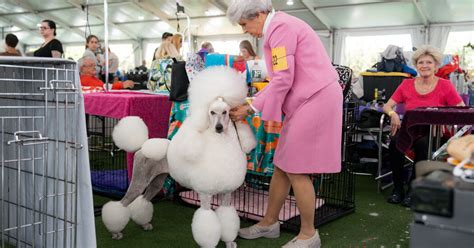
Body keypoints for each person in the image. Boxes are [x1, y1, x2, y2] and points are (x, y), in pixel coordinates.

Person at [227, 1, 342, 247]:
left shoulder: (280, 28)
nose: (245, 30)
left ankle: (309, 234)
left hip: (316, 98)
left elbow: (282, 79)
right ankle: (269, 223)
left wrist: (251, 107)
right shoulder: (280, 26)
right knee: (282, 163)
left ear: (259, 14)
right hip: (308, 97)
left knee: (297, 168)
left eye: (245, 24)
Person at [383, 45, 464, 207]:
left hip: (434, 131)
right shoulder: (406, 84)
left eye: (429, 62)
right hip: (409, 128)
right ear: (416, 65)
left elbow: (460, 107)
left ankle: (414, 189)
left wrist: (444, 118)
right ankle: (398, 189)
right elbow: (387, 106)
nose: (424, 65)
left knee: (423, 146)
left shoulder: (445, 85)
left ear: (436, 66)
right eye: (421, 62)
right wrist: (393, 115)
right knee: (394, 145)